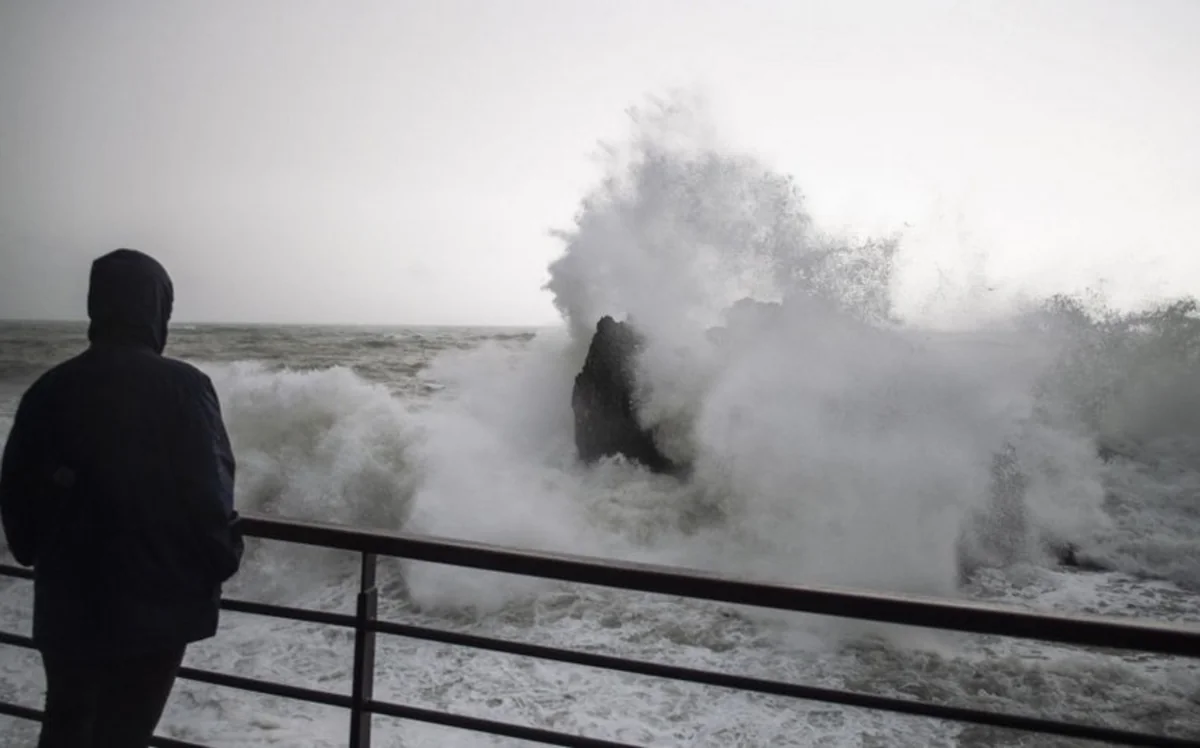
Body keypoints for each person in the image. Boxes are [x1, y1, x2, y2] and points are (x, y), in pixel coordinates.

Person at [0, 248, 244, 747]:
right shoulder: (185, 387)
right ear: (157, 309)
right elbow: (208, 494)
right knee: (125, 733)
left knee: (65, 724)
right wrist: (224, 558)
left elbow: (21, 523)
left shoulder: (49, 389)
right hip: (157, 609)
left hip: (67, 606)